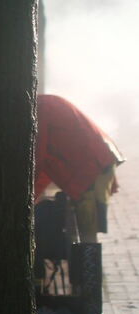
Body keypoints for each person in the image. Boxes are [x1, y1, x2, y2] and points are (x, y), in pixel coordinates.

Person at [35, 94, 125, 243]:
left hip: (92, 167)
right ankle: (82, 262)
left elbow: (38, 157)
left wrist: (30, 196)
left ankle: (89, 265)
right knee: (81, 228)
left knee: (88, 231)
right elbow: (43, 163)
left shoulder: (41, 109)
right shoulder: (44, 103)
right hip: (94, 163)